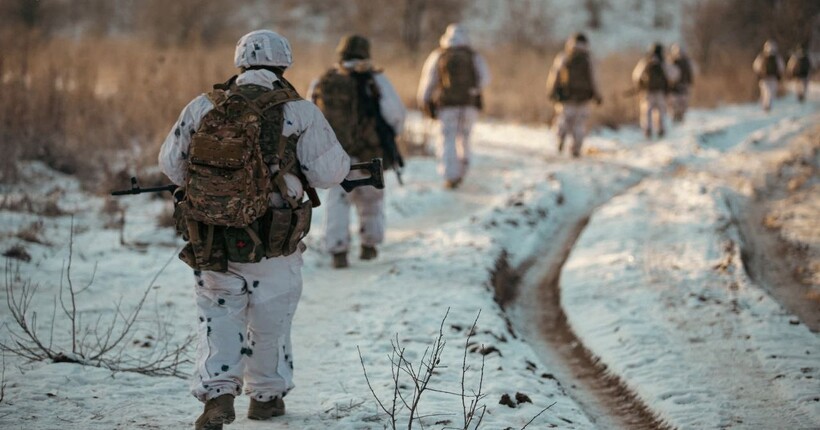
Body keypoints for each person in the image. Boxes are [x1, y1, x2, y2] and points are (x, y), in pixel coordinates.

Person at [158, 30, 350, 430]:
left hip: (211, 236)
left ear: (239, 63)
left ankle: (218, 395)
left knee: (218, 316)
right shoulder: (300, 111)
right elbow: (331, 172)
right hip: (274, 239)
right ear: (284, 65)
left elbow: (172, 166)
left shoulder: (202, 107)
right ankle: (265, 397)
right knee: (270, 320)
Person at [307, 35, 406, 269]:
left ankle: (338, 251)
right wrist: (389, 137)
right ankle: (369, 246)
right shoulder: (375, 79)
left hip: (335, 154)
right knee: (371, 199)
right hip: (369, 153)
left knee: (338, 201)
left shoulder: (324, 80)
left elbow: (308, 114)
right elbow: (396, 114)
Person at [417, 23, 491, 189]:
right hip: (469, 105)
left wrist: (424, 101)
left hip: (447, 105)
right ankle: (463, 170)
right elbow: (486, 78)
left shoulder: (439, 55)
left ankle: (450, 175)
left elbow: (428, 80)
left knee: (447, 138)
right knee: (464, 137)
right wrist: (473, 90)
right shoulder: (473, 55)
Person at [545, 32, 602, 157]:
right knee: (579, 124)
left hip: (566, 96)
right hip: (583, 98)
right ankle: (576, 149)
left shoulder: (564, 56)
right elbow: (594, 78)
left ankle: (560, 138)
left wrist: (551, 90)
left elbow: (555, 74)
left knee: (563, 120)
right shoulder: (589, 58)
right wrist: (597, 95)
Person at [632, 43, 678, 139]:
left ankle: (647, 130)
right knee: (660, 111)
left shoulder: (645, 61)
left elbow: (636, 75)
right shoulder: (663, 62)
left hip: (647, 92)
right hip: (660, 92)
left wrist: (640, 85)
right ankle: (660, 129)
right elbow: (674, 75)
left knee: (646, 112)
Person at [752, 39, 785, 112]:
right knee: (770, 92)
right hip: (773, 78)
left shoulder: (761, 56)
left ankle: (765, 106)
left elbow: (755, 66)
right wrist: (779, 75)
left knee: (765, 92)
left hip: (764, 78)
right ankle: (768, 106)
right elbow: (781, 67)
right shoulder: (777, 57)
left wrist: (758, 74)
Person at [667, 43, 694, 122]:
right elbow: (692, 73)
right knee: (681, 105)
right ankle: (679, 118)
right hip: (683, 86)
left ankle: (677, 118)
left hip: (675, 87)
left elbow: (669, 75)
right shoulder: (687, 62)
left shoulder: (671, 61)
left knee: (675, 105)